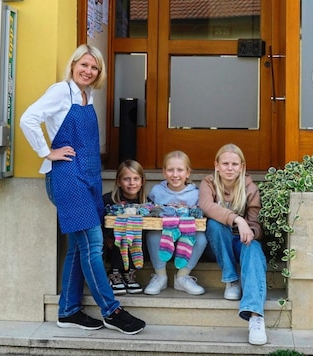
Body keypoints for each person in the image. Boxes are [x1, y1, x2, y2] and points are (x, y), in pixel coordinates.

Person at [19, 44, 146, 335]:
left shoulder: (87, 96)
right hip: (66, 178)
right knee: (93, 244)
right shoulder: (60, 91)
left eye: (94, 67)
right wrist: (46, 151)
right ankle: (111, 311)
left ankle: (68, 311)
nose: (88, 71)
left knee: (78, 247)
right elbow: (28, 118)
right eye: (84, 65)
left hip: (88, 177)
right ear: (74, 64)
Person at [198, 144, 268, 345]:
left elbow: (257, 226)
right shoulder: (208, 183)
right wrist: (238, 219)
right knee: (215, 224)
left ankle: (255, 316)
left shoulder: (250, 189)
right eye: (225, 163)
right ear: (217, 165)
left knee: (253, 248)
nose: (230, 168)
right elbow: (206, 207)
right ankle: (231, 279)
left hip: (241, 243)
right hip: (217, 245)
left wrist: (251, 231)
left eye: (234, 164)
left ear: (242, 166)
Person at [144, 151, 207, 295]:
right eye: (170, 170)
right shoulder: (157, 191)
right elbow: (150, 212)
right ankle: (160, 276)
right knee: (153, 235)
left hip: (187, 233)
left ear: (188, 172)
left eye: (180, 170)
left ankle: (182, 276)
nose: (175, 174)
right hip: (164, 232)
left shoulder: (195, 194)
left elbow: (200, 216)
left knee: (201, 239)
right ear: (164, 172)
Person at [102, 160, 147, 295]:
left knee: (135, 230)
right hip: (112, 242)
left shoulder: (145, 203)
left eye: (136, 179)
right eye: (127, 179)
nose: (132, 183)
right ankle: (115, 273)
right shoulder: (108, 200)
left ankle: (129, 273)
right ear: (118, 181)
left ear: (142, 181)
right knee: (121, 230)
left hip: (136, 244)